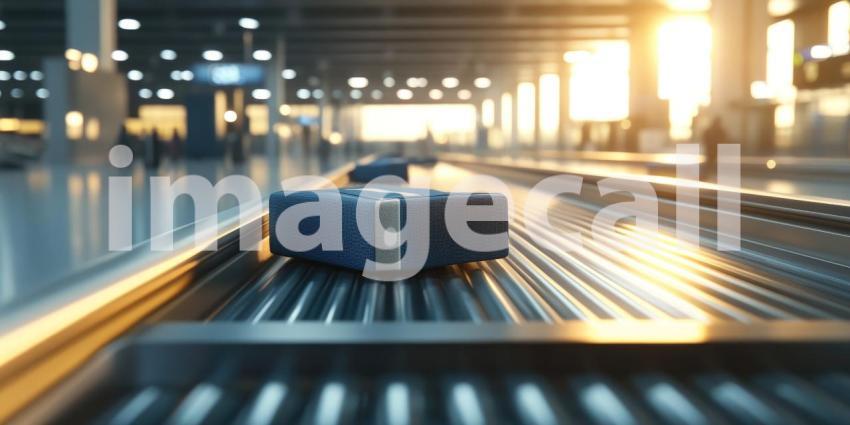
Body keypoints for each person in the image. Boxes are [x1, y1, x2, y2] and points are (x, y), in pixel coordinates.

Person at [701, 116, 729, 181]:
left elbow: (704, 137)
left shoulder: (711, 129)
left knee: (710, 163)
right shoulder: (719, 130)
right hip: (714, 149)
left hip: (712, 149)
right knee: (712, 163)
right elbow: (724, 139)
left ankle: (707, 175)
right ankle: (708, 175)